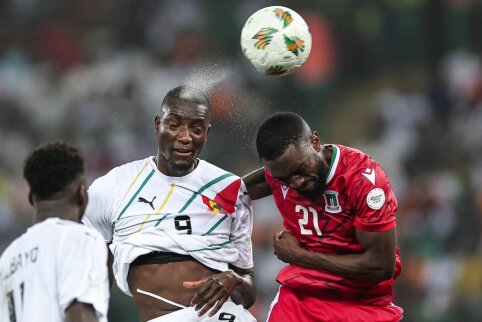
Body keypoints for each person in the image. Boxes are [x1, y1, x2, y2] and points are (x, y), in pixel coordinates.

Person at [83, 85, 256, 322]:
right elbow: (92, 265)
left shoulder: (232, 189)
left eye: (196, 129)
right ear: (157, 125)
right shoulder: (113, 186)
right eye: (174, 125)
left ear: (207, 132)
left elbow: (248, 290)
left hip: (225, 317)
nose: (185, 138)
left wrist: (235, 280)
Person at [243, 112, 403, 322]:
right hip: (301, 299)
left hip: (362, 304)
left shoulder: (363, 180)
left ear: (315, 142)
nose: (296, 183)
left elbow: (381, 266)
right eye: (284, 179)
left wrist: (301, 256)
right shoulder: (281, 172)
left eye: (300, 170)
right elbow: (234, 191)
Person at [0, 142, 110, 322]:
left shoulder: (8, 258)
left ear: (31, 199)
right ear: (82, 195)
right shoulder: (80, 239)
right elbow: (80, 315)